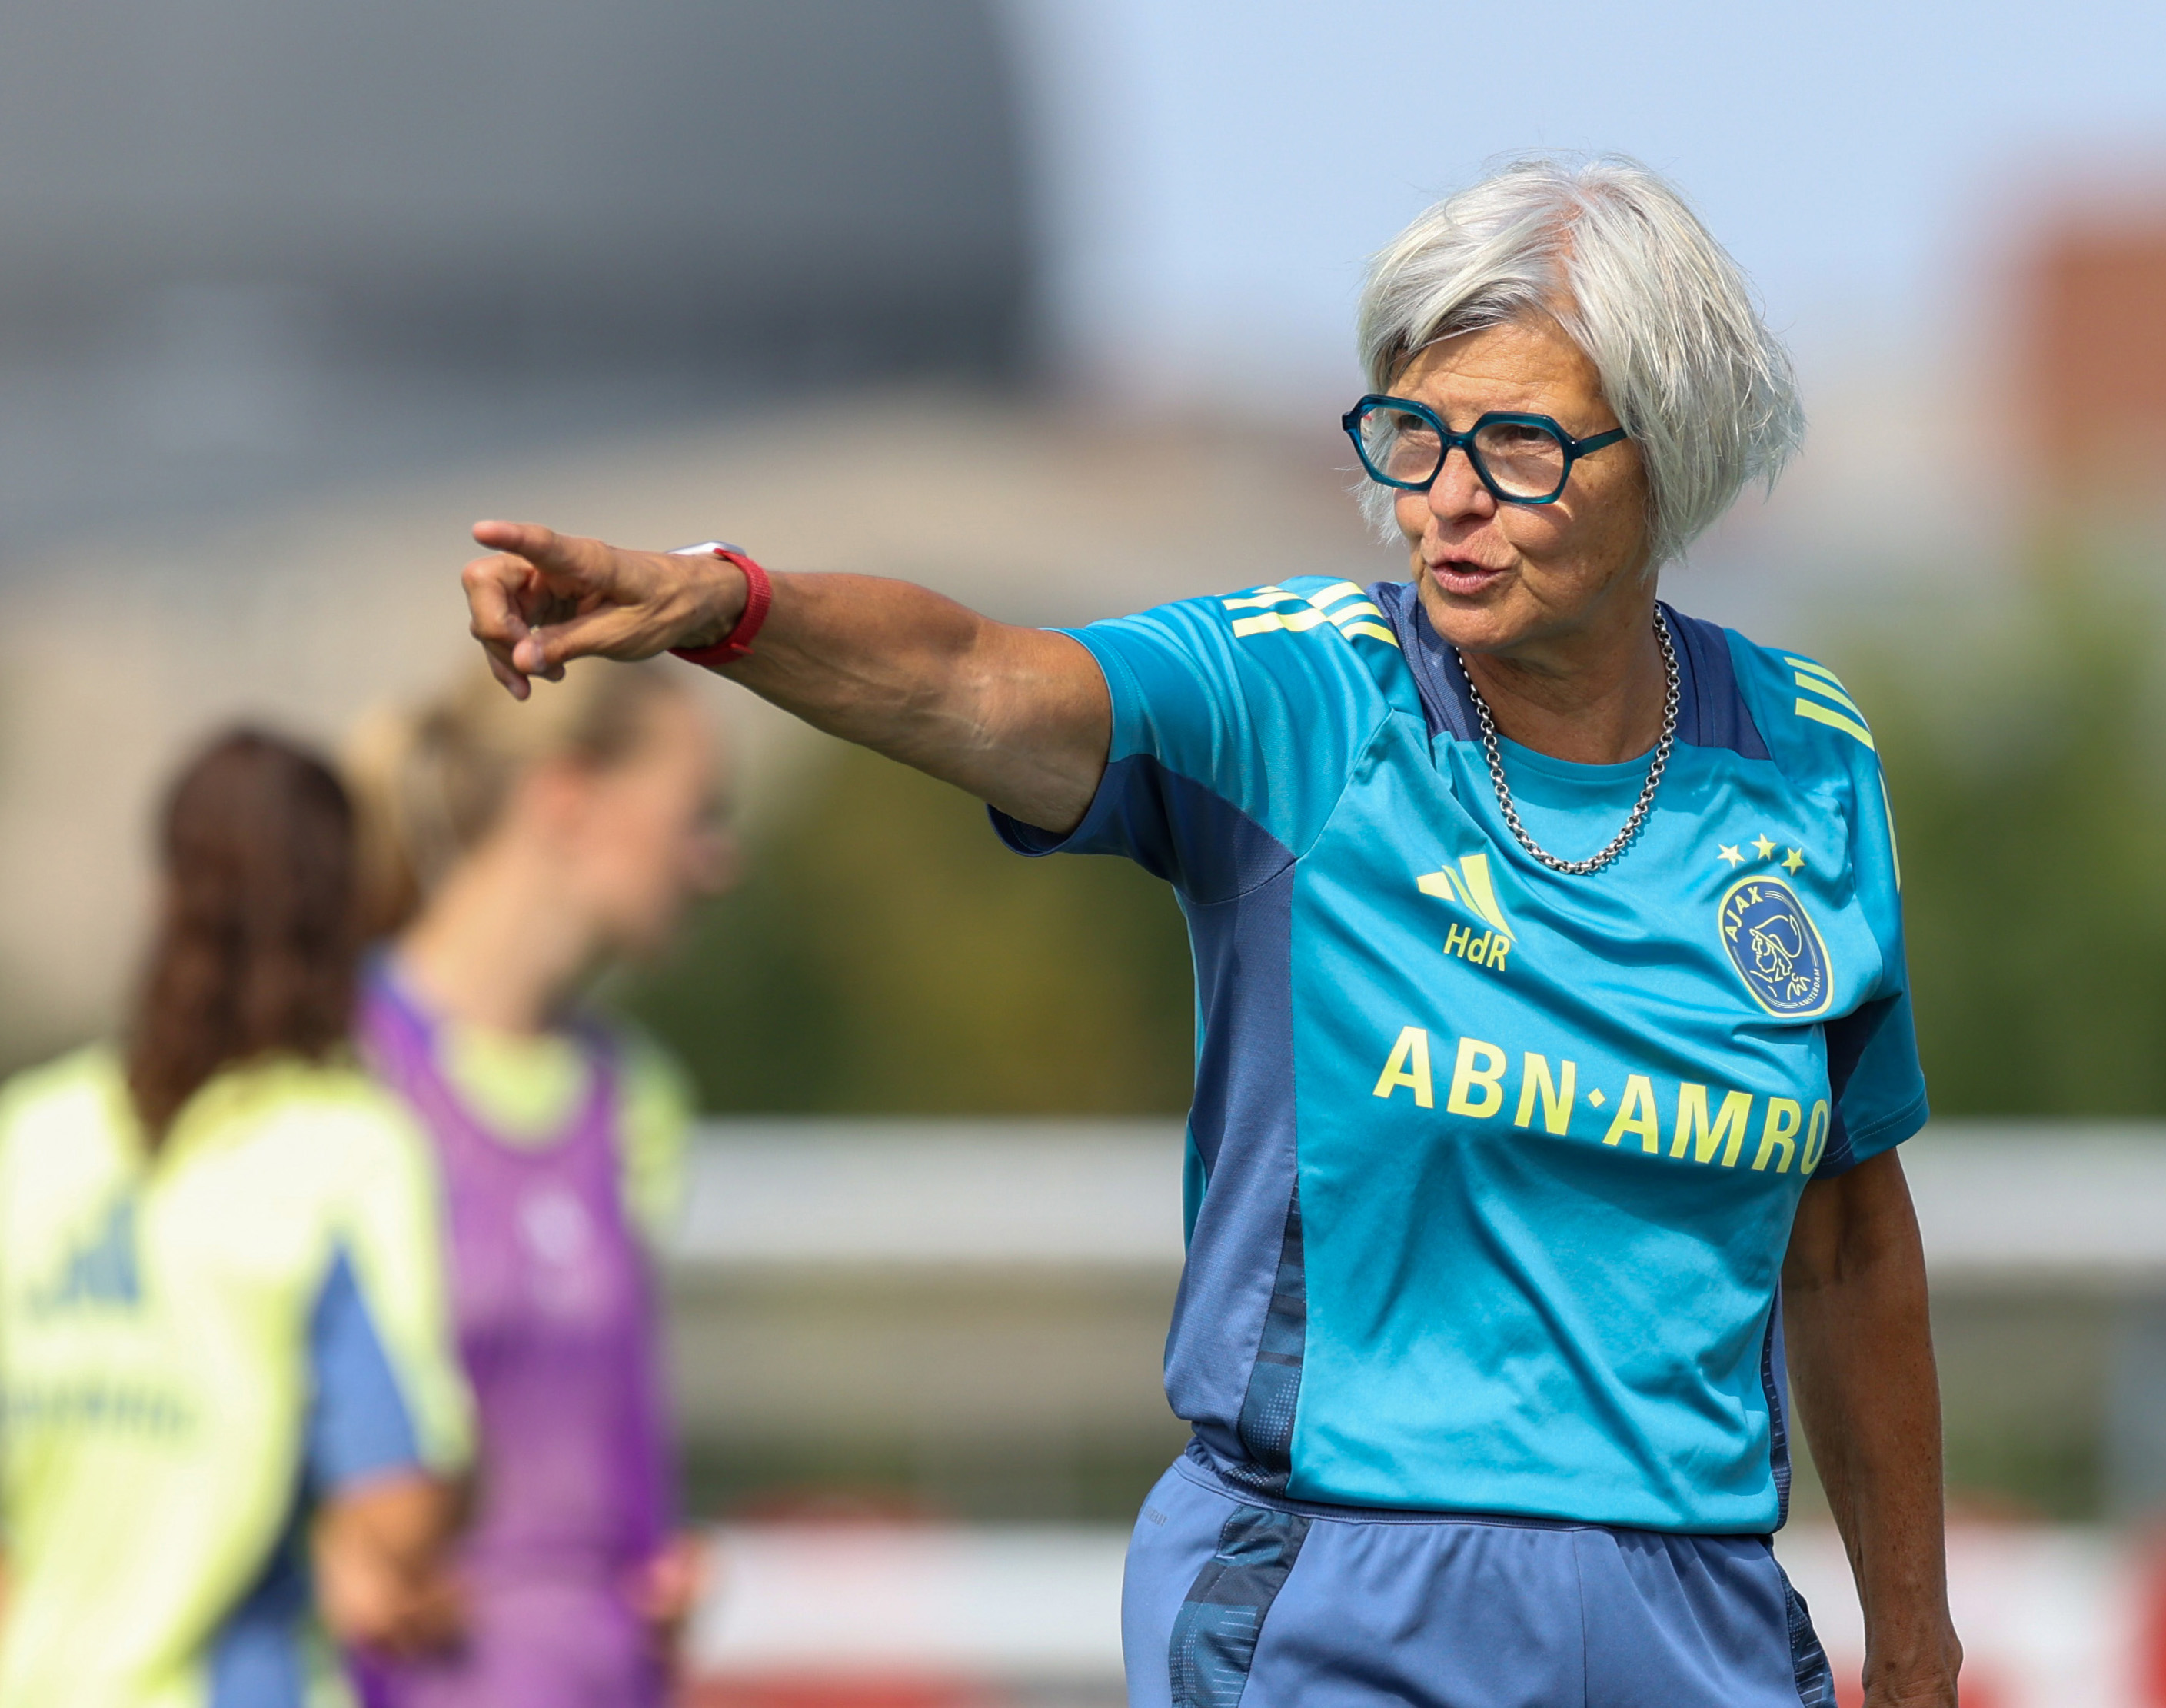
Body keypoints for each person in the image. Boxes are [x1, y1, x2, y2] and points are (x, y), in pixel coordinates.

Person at [457, 155, 1961, 1708]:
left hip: (1695, 1612)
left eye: (1514, 444)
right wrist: (725, 605)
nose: (1445, 495)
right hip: (1343, 1599)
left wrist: (1912, 1648)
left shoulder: (1809, 764)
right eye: (1415, 432)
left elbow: (1847, 1246)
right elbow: (980, 678)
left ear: (1670, 448)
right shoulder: (1304, 703)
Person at [0, 730, 474, 1708]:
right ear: (345, 909)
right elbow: (398, 1500)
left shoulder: (32, 1135)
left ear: (161, 892)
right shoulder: (345, 1146)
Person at [341, 658, 729, 1707]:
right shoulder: (334, 1074)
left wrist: (655, 1573)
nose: (717, 861)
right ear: (567, 798)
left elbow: (608, 1451)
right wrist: (330, 1560)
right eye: (698, 813)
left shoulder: (636, 1097)